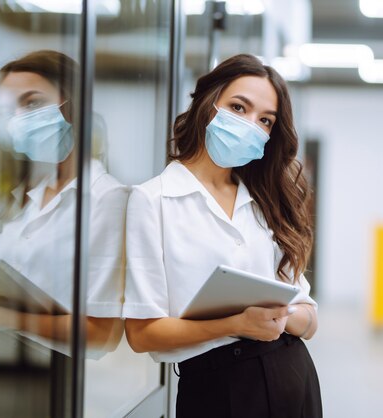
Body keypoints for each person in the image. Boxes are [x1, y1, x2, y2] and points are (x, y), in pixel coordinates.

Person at [123, 54, 322, 418]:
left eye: (265, 120)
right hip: (216, 389)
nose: (250, 124)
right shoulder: (152, 200)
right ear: (207, 104)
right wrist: (236, 324)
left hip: (294, 376)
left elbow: (309, 321)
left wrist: (284, 314)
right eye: (238, 107)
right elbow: (142, 334)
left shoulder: (267, 200)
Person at [0, 50, 126, 417]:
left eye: (33, 102)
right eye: (10, 109)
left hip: (42, 375)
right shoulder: (21, 195)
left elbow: (102, 334)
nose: (20, 118)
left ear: (73, 105)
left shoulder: (108, 199)